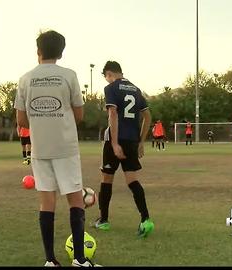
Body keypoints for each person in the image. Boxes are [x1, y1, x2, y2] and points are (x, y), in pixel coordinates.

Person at [14, 30, 100, 267]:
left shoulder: (25, 79)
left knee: (46, 203)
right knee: (75, 200)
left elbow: (21, 120)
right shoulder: (69, 76)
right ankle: (80, 260)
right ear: (61, 52)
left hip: (40, 149)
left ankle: (50, 260)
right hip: (66, 147)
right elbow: (79, 114)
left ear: (38, 51)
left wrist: (41, 121)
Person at [93, 60, 154, 239]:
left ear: (110, 74)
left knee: (107, 178)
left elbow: (112, 114)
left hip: (115, 140)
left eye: (106, 77)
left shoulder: (111, 88)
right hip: (132, 141)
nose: (107, 81)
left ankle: (103, 221)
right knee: (132, 180)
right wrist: (141, 142)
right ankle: (146, 219)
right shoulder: (136, 89)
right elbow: (147, 116)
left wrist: (114, 143)